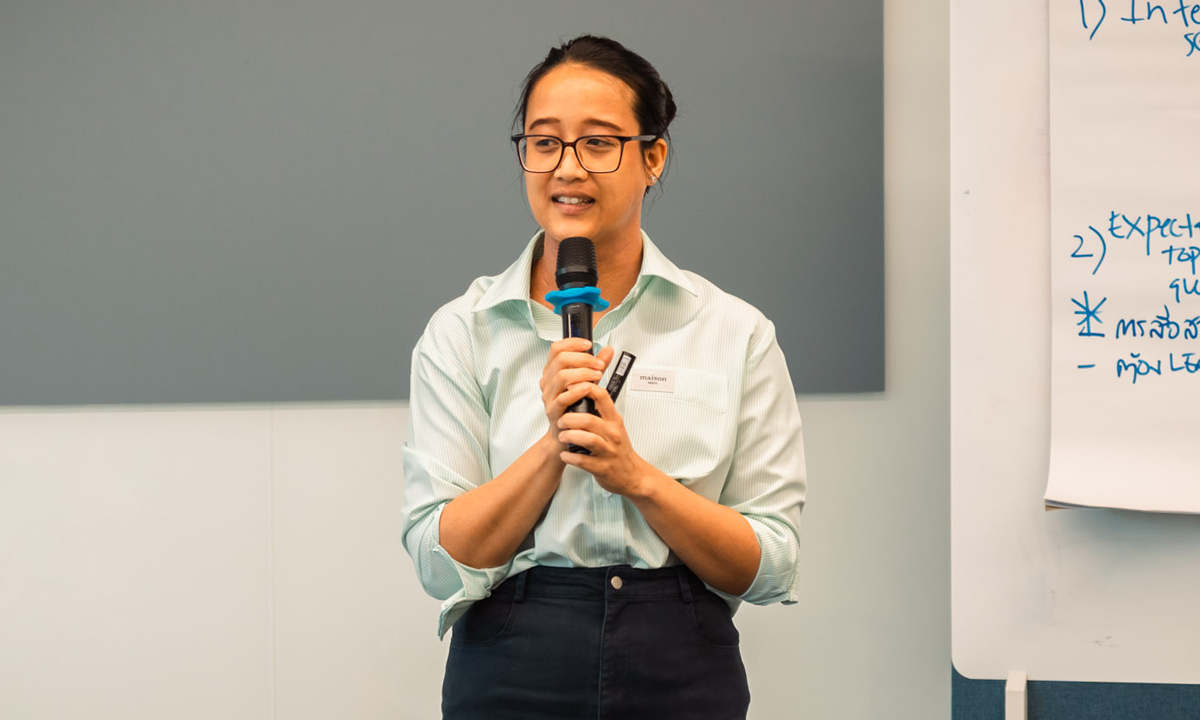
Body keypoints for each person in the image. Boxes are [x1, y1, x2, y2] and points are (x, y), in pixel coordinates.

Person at [400, 34, 806, 720]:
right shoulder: (464, 331)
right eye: (545, 141)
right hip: (511, 657)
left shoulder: (733, 331)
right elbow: (440, 562)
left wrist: (635, 477)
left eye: (597, 142)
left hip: (681, 659)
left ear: (653, 158)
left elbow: (770, 564)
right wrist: (553, 444)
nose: (567, 168)